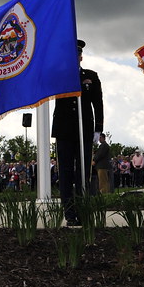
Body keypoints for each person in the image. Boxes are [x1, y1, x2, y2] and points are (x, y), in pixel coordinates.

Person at [52, 39, 104, 226]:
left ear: (81, 57)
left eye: (77, 55)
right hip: (64, 130)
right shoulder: (59, 75)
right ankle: (70, 214)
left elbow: (97, 103)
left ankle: (83, 210)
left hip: (84, 130)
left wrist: (98, 128)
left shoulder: (91, 75)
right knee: (65, 173)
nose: (75, 58)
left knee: (83, 172)